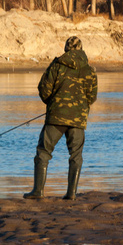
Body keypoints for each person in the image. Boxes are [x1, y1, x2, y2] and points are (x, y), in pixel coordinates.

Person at [24, 36, 98, 200]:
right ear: (81, 48)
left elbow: (44, 90)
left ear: (66, 48)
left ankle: (38, 191)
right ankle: (71, 194)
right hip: (78, 120)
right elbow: (92, 97)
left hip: (56, 118)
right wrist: (80, 107)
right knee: (76, 156)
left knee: (43, 152)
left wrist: (52, 104)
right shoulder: (89, 70)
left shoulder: (56, 65)